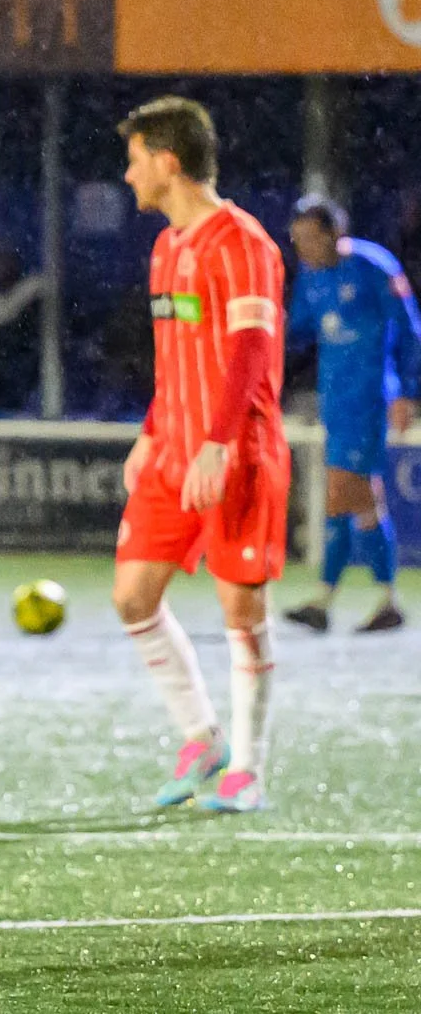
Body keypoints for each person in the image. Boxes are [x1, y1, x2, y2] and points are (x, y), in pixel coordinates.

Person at [111, 97, 286, 815]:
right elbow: (174, 354)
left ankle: (246, 767)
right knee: (132, 596)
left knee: (241, 608)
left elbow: (249, 350)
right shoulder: (166, 247)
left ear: (168, 161)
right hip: (174, 450)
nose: (127, 176)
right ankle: (200, 736)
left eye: (134, 159)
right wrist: (154, 429)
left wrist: (216, 442)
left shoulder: (241, 242)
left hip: (233, 452)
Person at [282, 195, 421, 633]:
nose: (303, 248)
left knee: (343, 492)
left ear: (334, 235)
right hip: (334, 399)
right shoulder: (311, 275)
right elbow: (296, 328)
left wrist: (408, 393)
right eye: (296, 240)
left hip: (369, 399)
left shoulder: (373, 265)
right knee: (361, 500)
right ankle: (381, 601)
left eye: (309, 238)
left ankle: (328, 599)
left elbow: (410, 328)